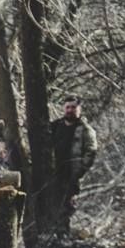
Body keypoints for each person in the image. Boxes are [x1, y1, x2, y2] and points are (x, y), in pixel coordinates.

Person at [49, 95, 98, 237]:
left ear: (79, 109)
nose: (70, 110)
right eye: (67, 107)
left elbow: (91, 151)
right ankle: (53, 235)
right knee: (51, 205)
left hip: (71, 176)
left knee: (67, 206)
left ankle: (63, 236)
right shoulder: (55, 126)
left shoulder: (85, 130)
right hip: (53, 174)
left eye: (73, 107)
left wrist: (80, 170)